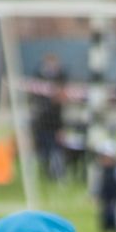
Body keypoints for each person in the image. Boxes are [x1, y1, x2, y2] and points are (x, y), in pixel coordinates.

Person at [30, 52, 68, 180]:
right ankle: (45, 172)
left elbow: (62, 105)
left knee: (56, 150)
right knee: (42, 151)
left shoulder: (62, 77)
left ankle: (56, 174)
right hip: (41, 123)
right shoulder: (38, 77)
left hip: (55, 123)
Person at [93, 138, 116, 232]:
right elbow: (97, 185)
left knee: (115, 214)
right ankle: (105, 229)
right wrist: (95, 195)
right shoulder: (100, 172)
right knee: (104, 214)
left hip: (115, 198)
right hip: (105, 198)